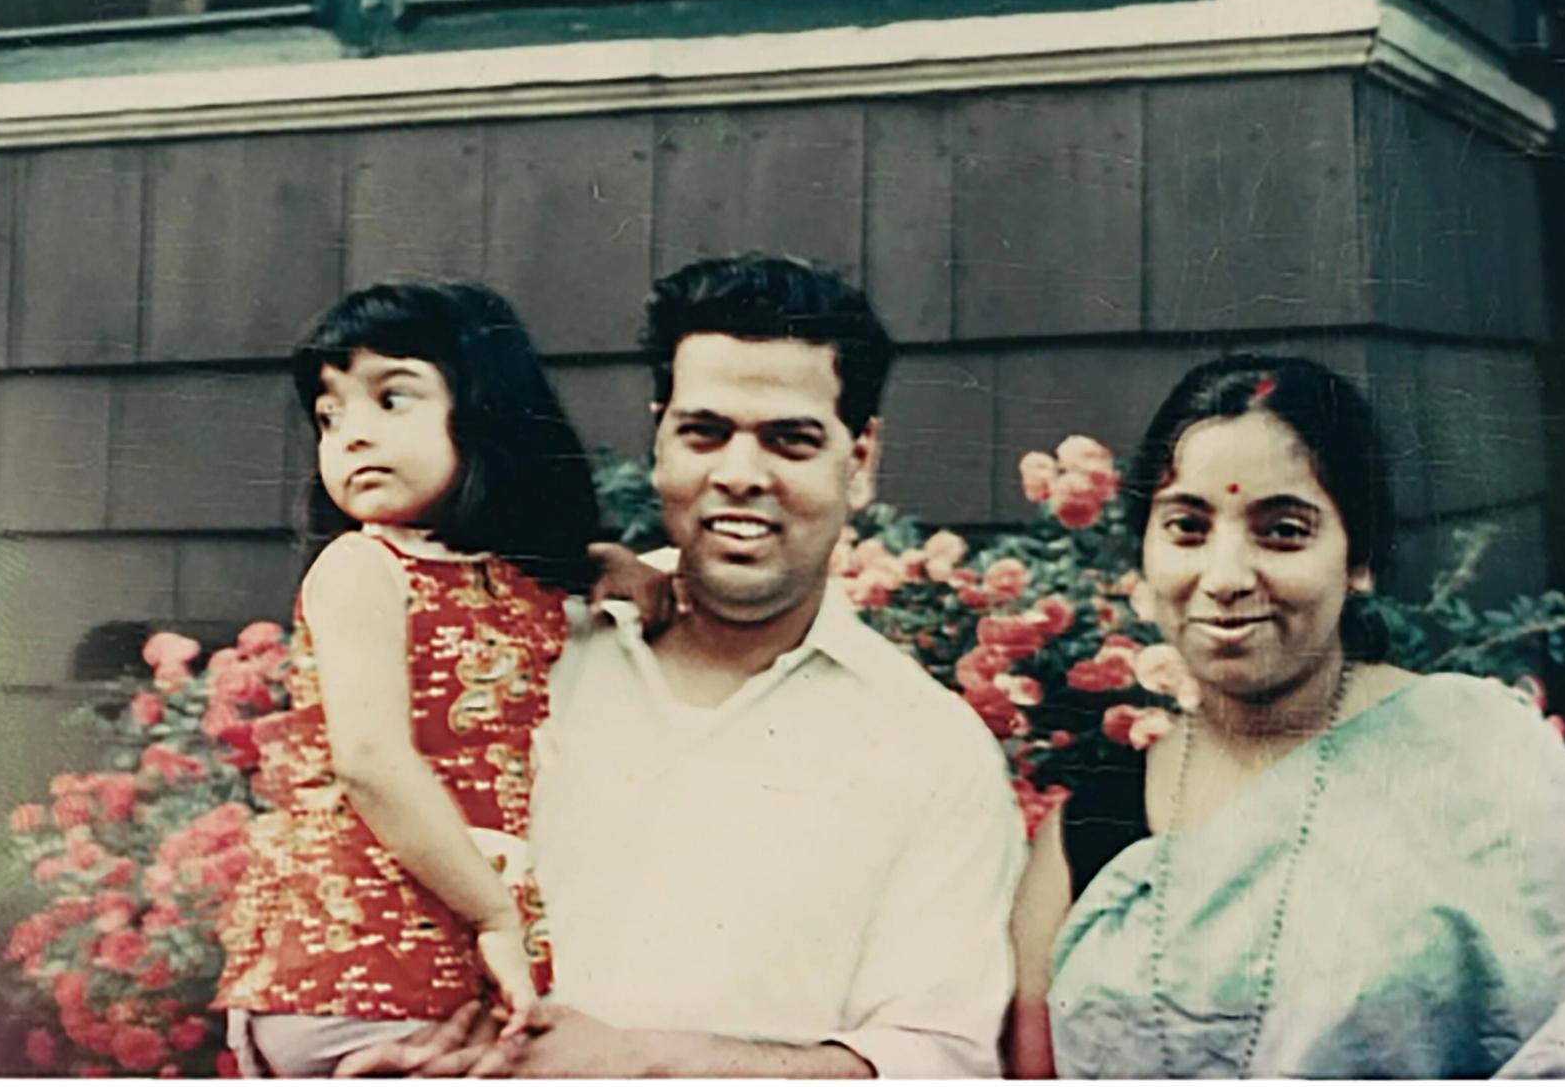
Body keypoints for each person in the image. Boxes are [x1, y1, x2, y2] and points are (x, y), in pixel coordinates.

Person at [335, 255, 1026, 1078]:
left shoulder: (931, 750)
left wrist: (639, 1061)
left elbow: (934, 1060)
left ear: (862, 457)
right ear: (659, 436)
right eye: (705, 431)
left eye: (789, 439)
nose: (739, 475)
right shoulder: (521, 643)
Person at [1009, 354, 1565, 1078]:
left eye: (1282, 531)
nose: (1226, 577)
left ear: (1358, 559)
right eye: (1187, 525)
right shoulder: (1087, 835)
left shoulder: (1478, 760)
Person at [213, 282, 669, 1076]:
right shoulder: (359, 568)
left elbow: (536, 583)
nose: (353, 435)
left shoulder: (505, 577)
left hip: (441, 970)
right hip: (349, 971)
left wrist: (611, 563)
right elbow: (371, 761)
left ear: (488, 412)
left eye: (392, 399)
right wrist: (495, 914)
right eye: (331, 415)